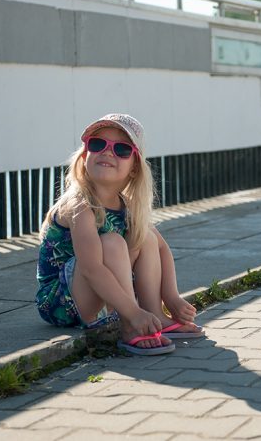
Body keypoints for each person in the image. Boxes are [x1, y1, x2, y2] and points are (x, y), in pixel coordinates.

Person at [36, 113, 204, 355]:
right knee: (113, 242)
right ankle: (129, 325)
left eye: (121, 149)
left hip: (102, 293)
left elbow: (161, 247)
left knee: (145, 236)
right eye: (98, 144)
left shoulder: (127, 205)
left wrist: (171, 297)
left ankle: (155, 313)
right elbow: (92, 269)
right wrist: (133, 313)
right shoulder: (79, 205)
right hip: (62, 302)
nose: (107, 152)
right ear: (84, 156)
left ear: (134, 168)